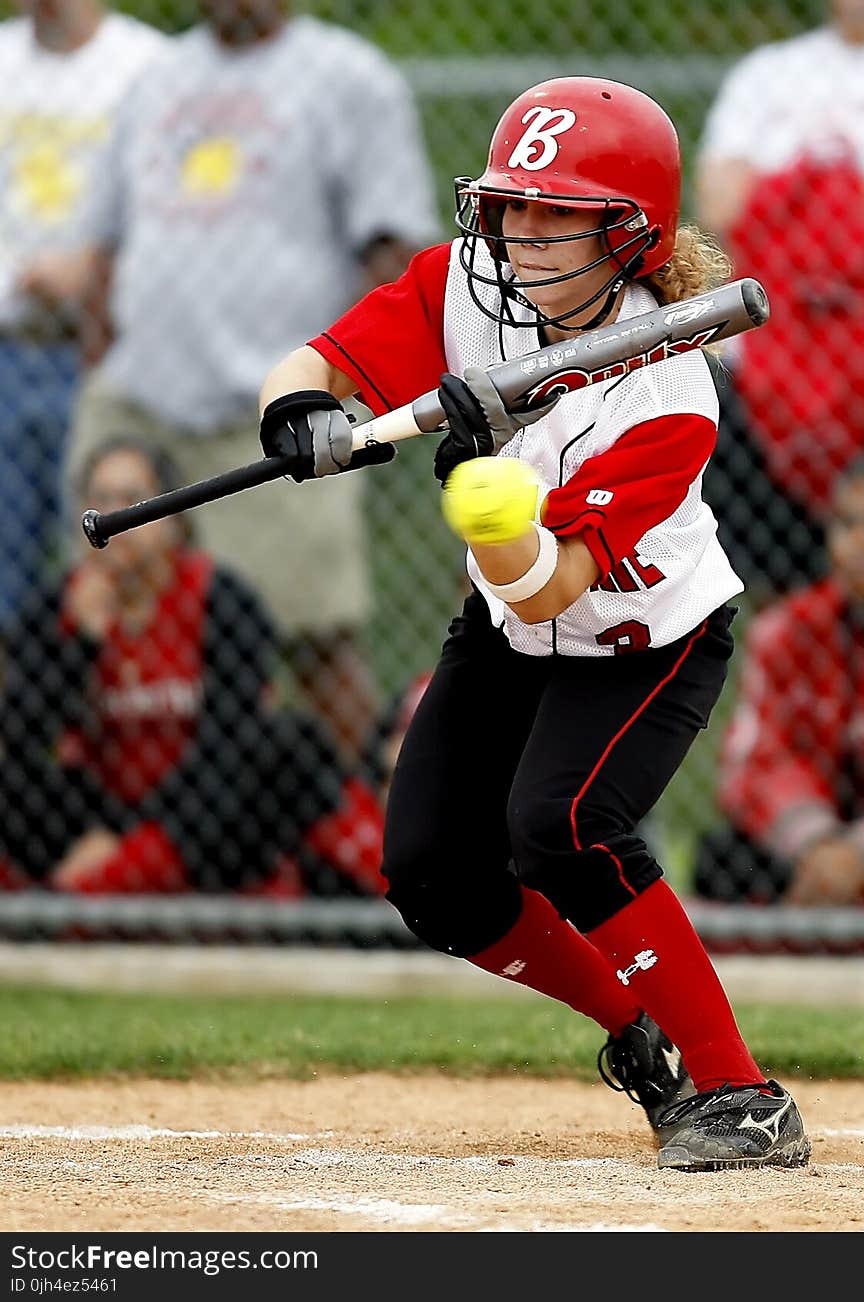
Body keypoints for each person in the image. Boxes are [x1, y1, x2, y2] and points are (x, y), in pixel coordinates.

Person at [253, 76, 811, 1172]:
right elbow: (316, 360)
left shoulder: (671, 396)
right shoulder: (470, 283)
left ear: (627, 232)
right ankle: (634, 1035)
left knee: (559, 823)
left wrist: (477, 485)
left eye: (558, 213)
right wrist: (302, 413)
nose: (521, 233)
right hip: (509, 632)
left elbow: (550, 583)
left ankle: (742, 1094)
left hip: (640, 642)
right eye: (511, 205)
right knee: (431, 873)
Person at [65, 0, 440, 771]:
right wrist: (100, 363)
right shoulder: (155, 76)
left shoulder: (348, 78)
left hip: (277, 415)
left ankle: (371, 841)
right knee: (95, 630)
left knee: (313, 638)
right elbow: (104, 243)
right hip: (141, 402)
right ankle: (114, 854)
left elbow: (394, 251)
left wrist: (352, 394)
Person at [0, 435, 349, 896]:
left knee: (290, 743)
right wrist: (81, 644)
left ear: (173, 519)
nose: (114, 517)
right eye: (100, 500)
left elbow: (230, 742)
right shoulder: (58, 607)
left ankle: (90, 892)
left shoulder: (219, 600)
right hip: (97, 810)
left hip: (198, 817)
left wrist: (137, 842)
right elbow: (23, 738)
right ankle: (84, 890)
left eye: (132, 500)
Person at [695, 0, 864, 598]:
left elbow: (746, 199)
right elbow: (718, 205)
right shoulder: (768, 74)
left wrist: (782, 193)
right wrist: (850, 196)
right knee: (779, 581)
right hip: (766, 364)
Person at [0, 0, 166, 632]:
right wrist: (22, 276)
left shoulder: (145, 64)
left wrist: (94, 271)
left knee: (110, 573)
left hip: (114, 356)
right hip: (9, 344)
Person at [695, 451, 864, 908]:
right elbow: (753, 764)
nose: (859, 541)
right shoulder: (789, 630)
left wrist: (862, 852)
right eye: (846, 523)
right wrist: (818, 845)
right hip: (810, 849)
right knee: (722, 862)